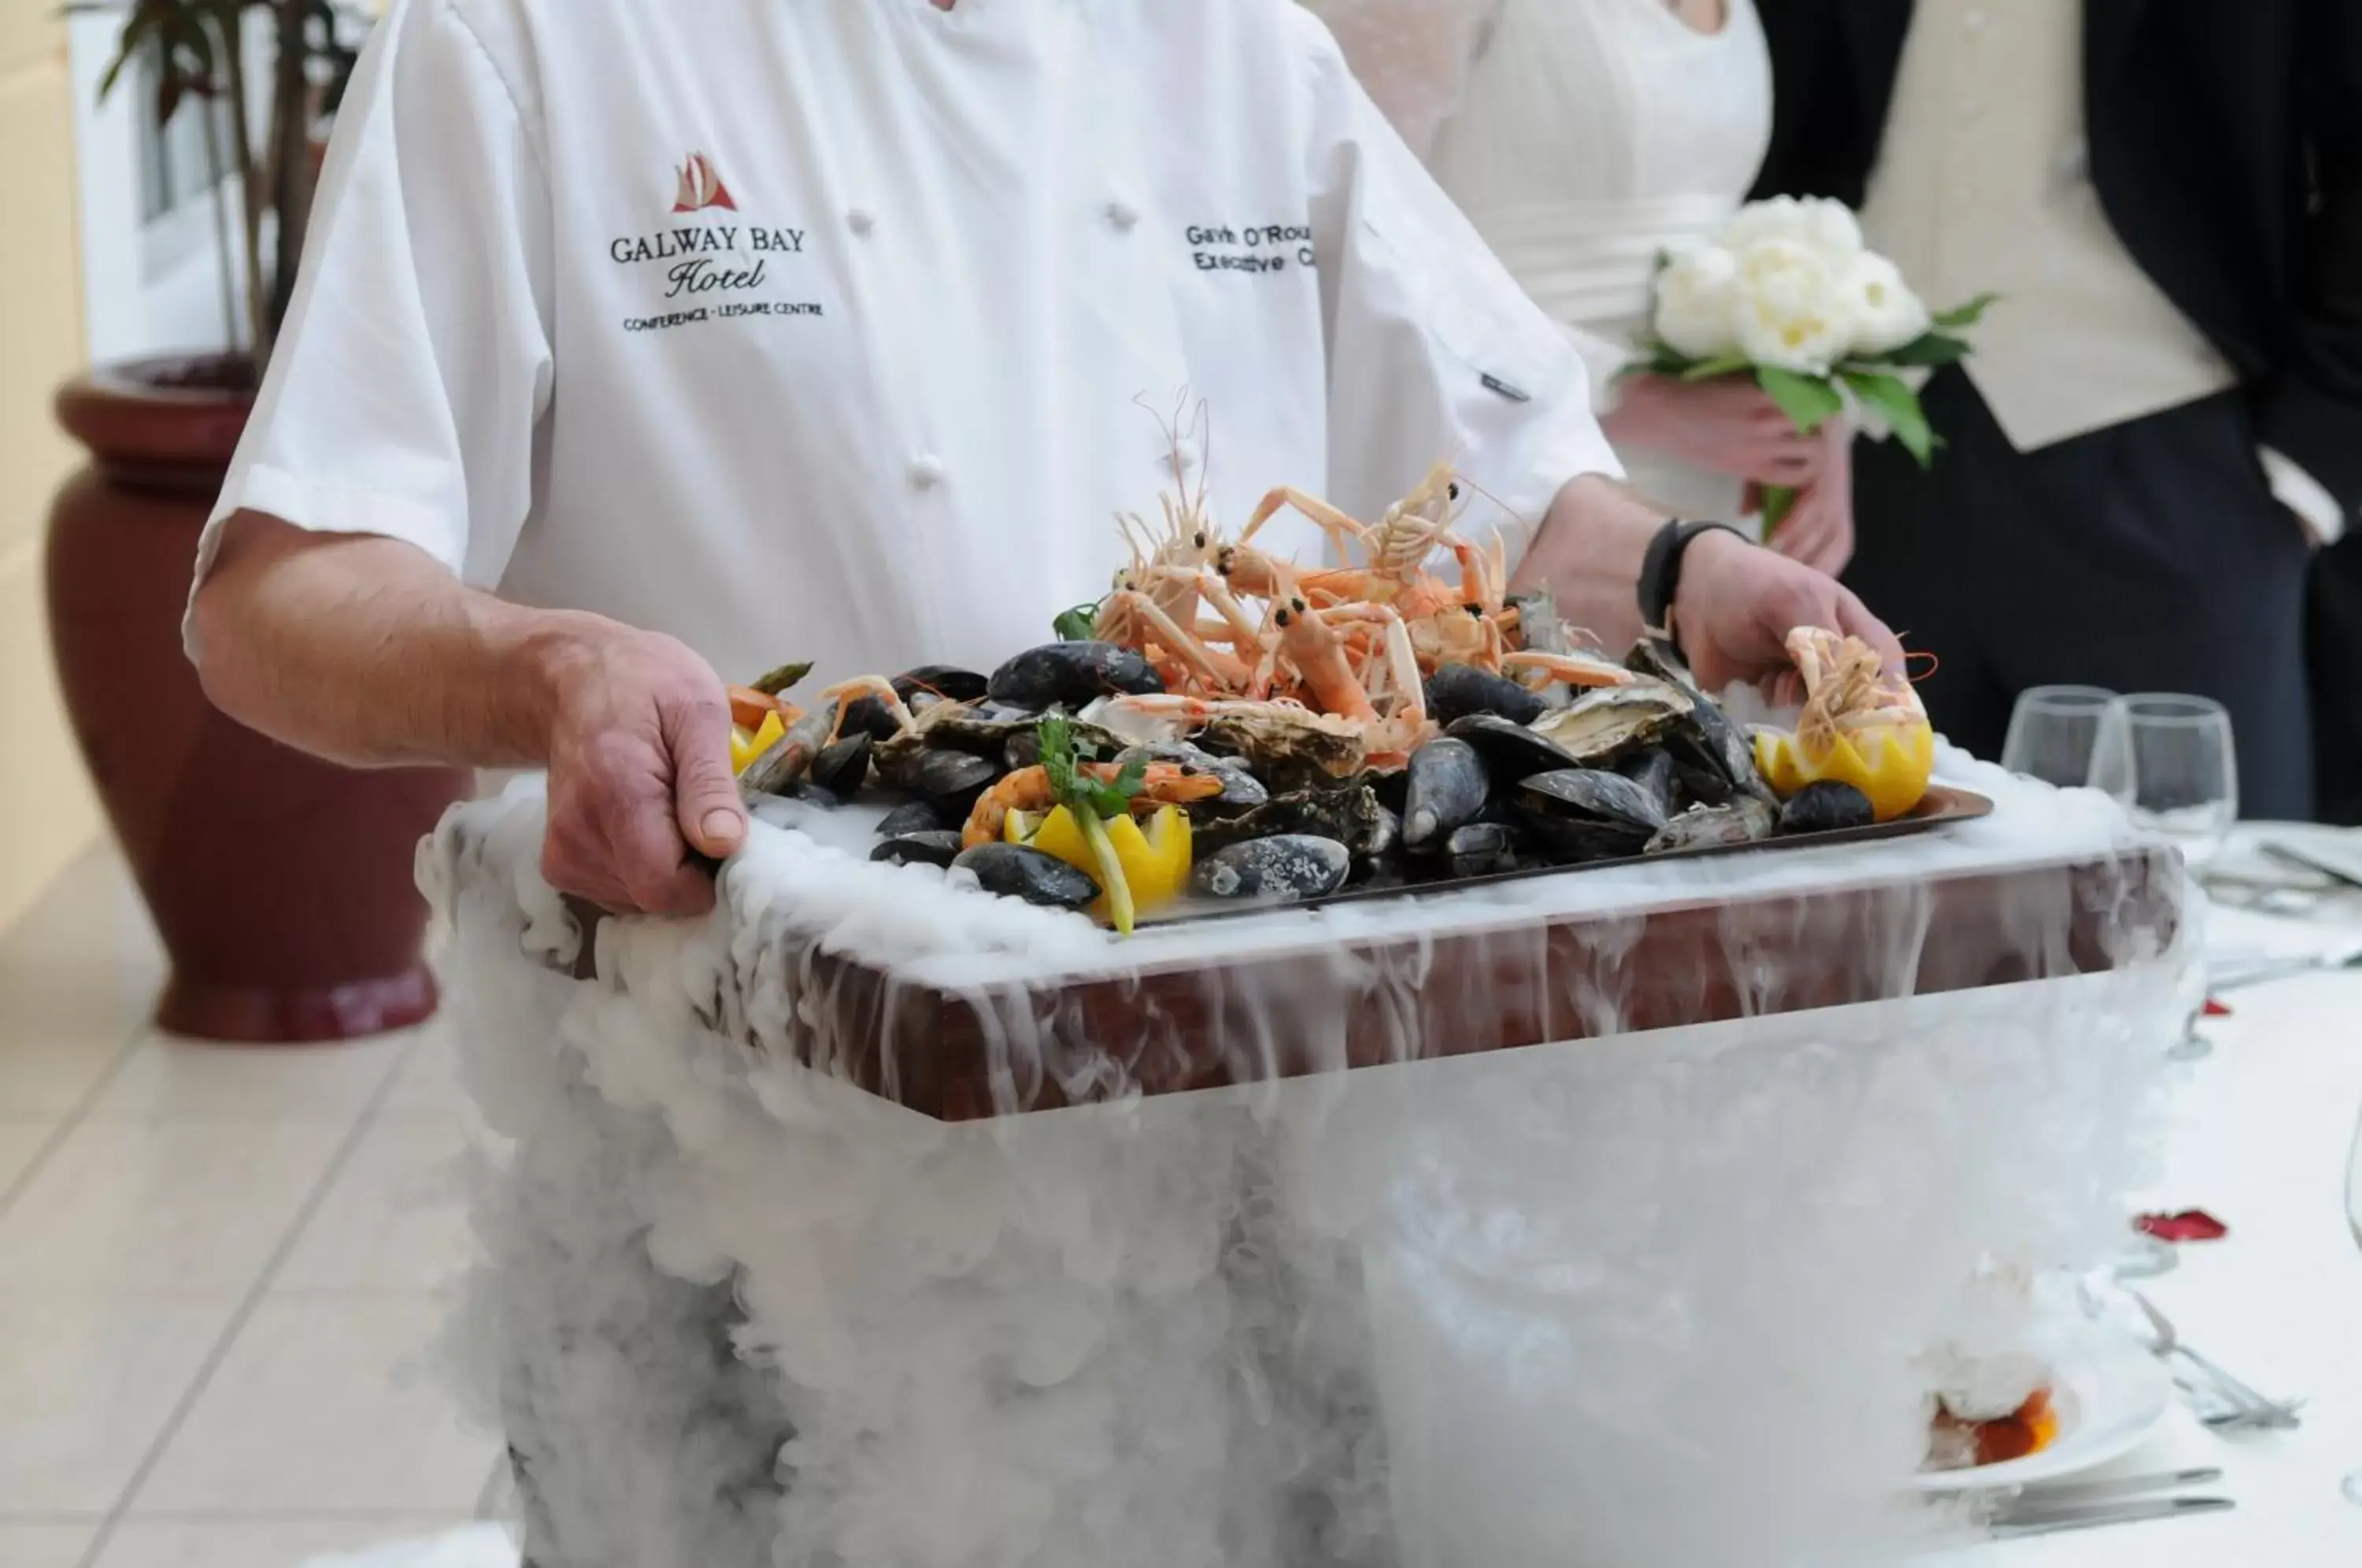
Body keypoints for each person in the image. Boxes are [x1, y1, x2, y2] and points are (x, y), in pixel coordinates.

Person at [187, 0, 1900, 923]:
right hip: (742, 1071)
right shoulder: (531, 38)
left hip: (1234, 1057)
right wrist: (548, 671)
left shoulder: (1237, 45)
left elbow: (1496, 497)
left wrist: (1686, 578)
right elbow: (284, 594)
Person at [1753, 1, 2362, 820]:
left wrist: (2313, 464)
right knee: (1884, 898)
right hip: (1872, 468)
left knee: (2197, 903)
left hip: (2176, 467)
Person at [1302, 0, 1857, 576]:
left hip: (1716, 494)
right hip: (1507, 476)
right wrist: (1624, 398)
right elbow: (1347, 241)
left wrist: (1805, 412)